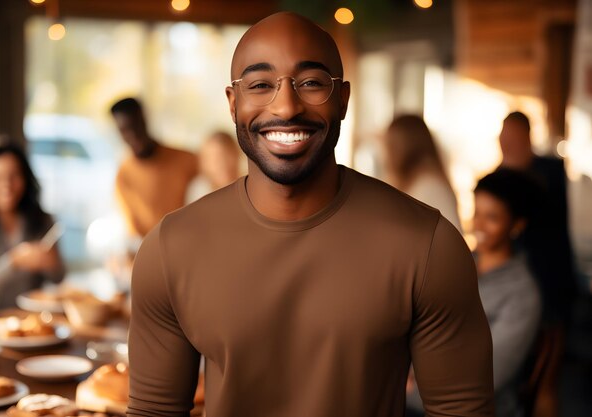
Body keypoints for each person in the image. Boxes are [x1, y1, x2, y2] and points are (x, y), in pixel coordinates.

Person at [128, 12, 494, 417]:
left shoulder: (428, 246)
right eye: (260, 85)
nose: (286, 106)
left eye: (312, 83)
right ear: (233, 104)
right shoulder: (170, 249)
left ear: (343, 99)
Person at [407, 169, 542, 417]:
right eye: (476, 213)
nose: (478, 224)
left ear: (517, 225)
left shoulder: (522, 295)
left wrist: (409, 384)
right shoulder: (456, 262)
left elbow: (487, 375)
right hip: (421, 391)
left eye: (492, 217)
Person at [0, 134, 65, 317]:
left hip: (32, 321)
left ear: (25, 178)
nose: (7, 185)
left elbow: (58, 278)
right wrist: (14, 261)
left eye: (14, 175)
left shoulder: (42, 220)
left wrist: (51, 262)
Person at [498, 111, 576, 325]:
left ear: (527, 138)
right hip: (511, 279)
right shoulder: (500, 176)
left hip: (549, 277)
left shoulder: (549, 171)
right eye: (504, 139)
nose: (507, 145)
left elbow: (538, 208)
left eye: (513, 139)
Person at [110, 97, 198, 239]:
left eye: (136, 125)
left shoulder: (187, 159)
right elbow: (135, 234)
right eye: (124, 130)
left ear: (145, 119)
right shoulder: (124, 176)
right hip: (156, 253)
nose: (133, 135)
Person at [382, 114, 462, 232]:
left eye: (390, 146)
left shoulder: (430, 187)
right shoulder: (418, 183)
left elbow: (452, 240)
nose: (386, 154)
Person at [185, 130, 241, 203]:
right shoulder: (200, 189)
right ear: (204, 163)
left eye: (226, 156)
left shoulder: (250, 185)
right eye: (215, 159)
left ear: (237, 155)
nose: (222, 164)